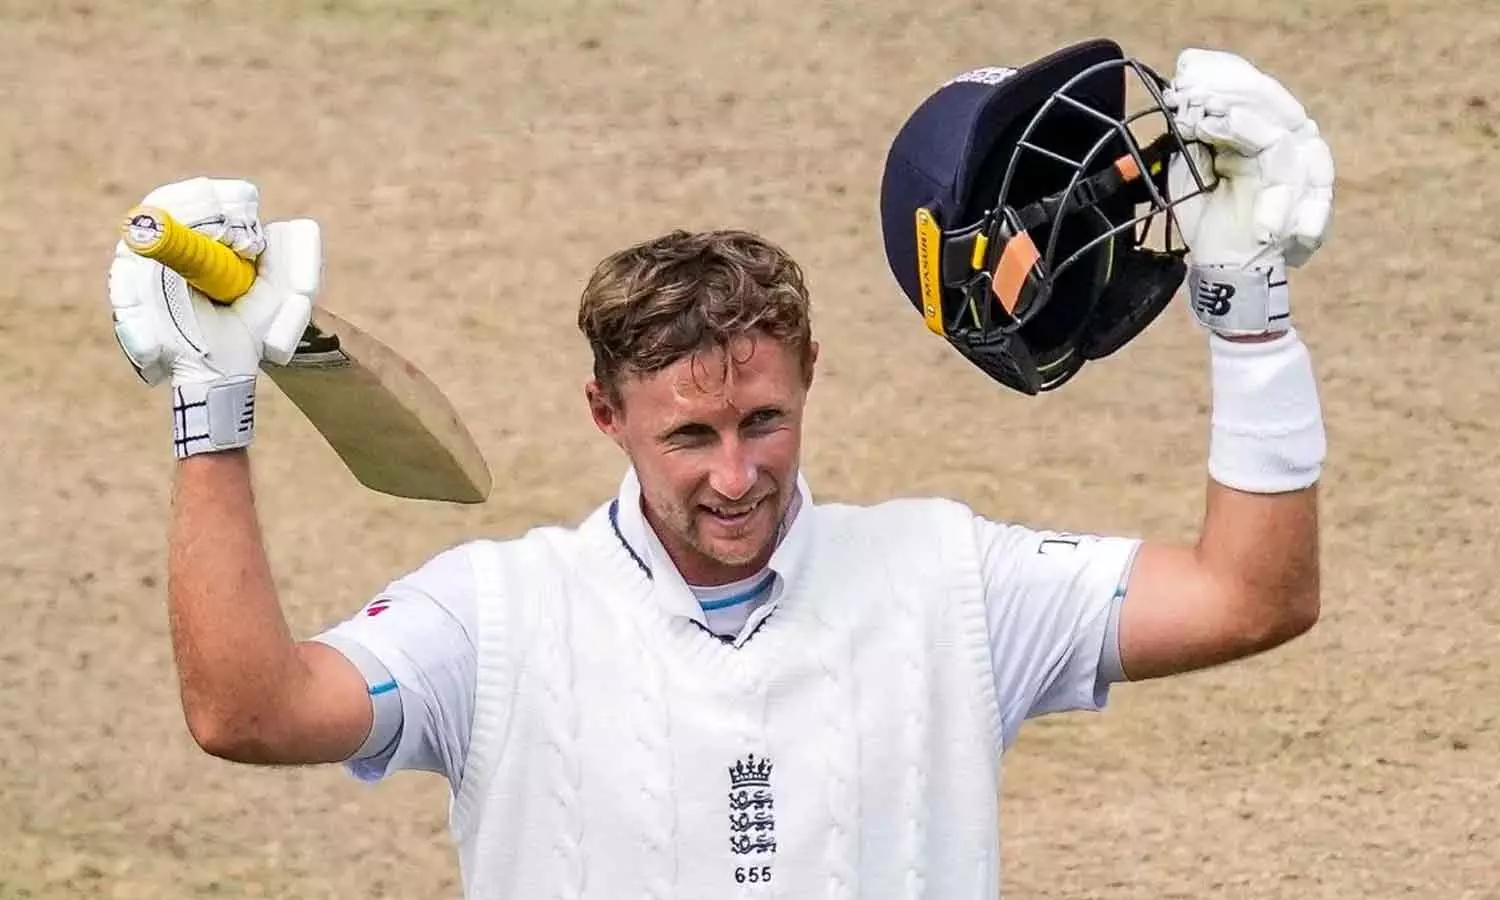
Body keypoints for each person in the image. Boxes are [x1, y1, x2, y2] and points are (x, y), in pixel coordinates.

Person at [105, 40, 1334, 899]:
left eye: (763, 422)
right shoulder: (491, 620)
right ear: (606, 413)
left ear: (810, 379)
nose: (739, 476)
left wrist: (1249, 309)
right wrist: (211, 413)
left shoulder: (949, 582)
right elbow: (248, 714)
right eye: (691, 437)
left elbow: (1251, 598)